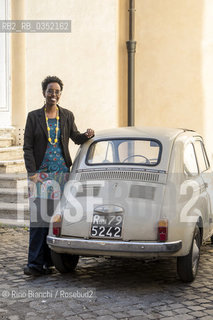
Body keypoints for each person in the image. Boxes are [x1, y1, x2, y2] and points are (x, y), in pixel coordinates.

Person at [23, 75, 94, 276]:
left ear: (60, 94)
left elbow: (75, 137)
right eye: (50, 91)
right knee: (39, 220)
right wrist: (32, 173)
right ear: (43, 93)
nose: (53, 94)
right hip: (41, 176)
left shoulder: (67, 116)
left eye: (56, 91)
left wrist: (88, 135)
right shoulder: (33, 117)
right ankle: (35, 264)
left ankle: (49, 262)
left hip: (62, 175)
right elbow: (27, 147)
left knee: (55, 219)